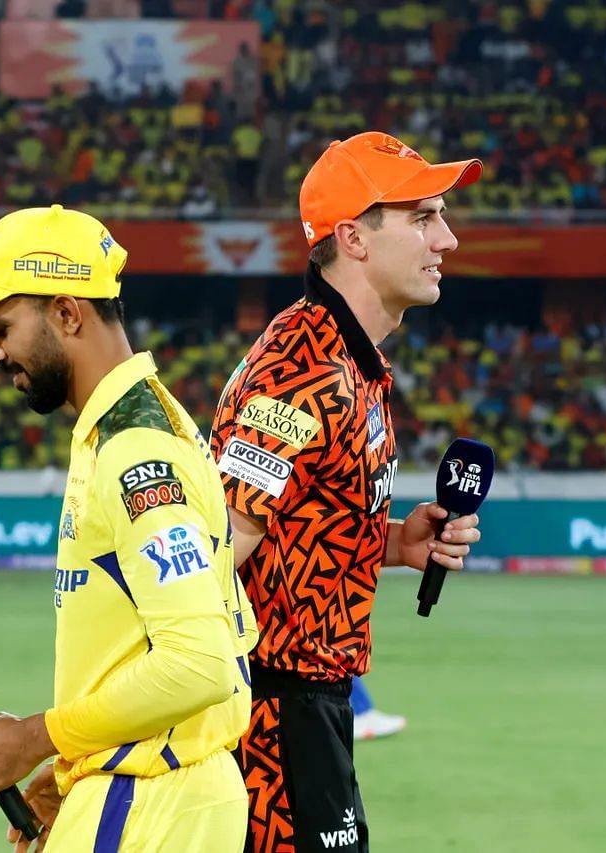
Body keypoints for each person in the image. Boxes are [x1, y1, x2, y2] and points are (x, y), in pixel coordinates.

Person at [0, 205, 258, 853]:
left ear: (67, 314)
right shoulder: (137, 427)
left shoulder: (135, 451)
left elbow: (199, 664)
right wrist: (77, 767)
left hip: (147, 798)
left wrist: (37, 736)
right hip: (153, 787)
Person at [210, 132, 486, 852]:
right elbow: (206, 557)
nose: (447, 239)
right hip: (267, 725)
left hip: (304, 712)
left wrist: (393, 541)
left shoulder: (346, 361)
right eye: (422, 218)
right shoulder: (300, 372)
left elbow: (286, 519)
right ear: (350, 239)